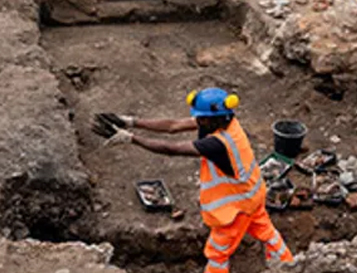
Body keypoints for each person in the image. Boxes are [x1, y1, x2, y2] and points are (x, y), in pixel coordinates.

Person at [94, 89, 294, 272]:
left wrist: (131, 139)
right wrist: (130, 121)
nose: (197, 121)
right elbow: (173, 126)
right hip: (252, 194)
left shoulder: (219, 143)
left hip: (235, 210)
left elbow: (172, 149)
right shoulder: (226, 121)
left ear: (214, 118)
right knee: (267, 233)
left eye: (202, 118)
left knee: (217, 254)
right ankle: (289, 266)